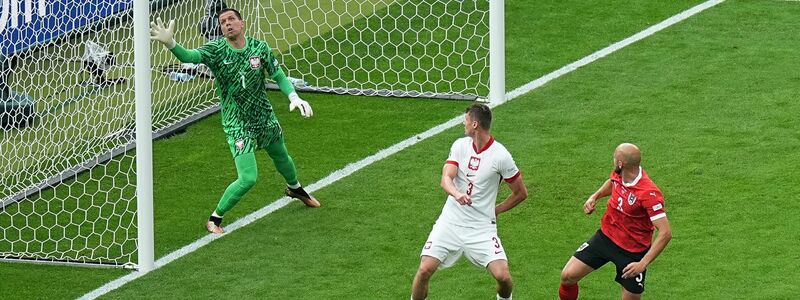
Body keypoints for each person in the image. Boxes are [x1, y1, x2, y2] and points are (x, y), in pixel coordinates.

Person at [149, 8, 320, 234]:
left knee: (282, 158)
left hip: (264, 116)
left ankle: (295, 188)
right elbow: (189, 57)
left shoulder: (260, 48)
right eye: (222, 22)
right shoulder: (216, 50)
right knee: (248, 178)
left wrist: (294, 96)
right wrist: (171, 43)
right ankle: (214, 219)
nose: (227, 24)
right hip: (237, 122)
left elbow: (278, 75)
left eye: (231, 19)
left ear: (242, 23)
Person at [411, 103, 528, 300]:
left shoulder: (501, 156)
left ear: (475, 124)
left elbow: (520, 193)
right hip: (451, 222)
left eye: (465, 121)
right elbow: (445, 178)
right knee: (424, 270)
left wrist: (496, 210)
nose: (463, 124)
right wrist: (456, 194)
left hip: (481, 227)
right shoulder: (459, 146)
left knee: (504, 277)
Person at [559, 143, 672, 300]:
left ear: (621, 163)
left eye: (614, 158)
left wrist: (642, 264)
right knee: (568, 276)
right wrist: (595, 196)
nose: (613, 160)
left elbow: (665, 233)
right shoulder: (621, 173)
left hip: (632, 253)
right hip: (605, 238)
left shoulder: (649, 193)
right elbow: (612, 182)